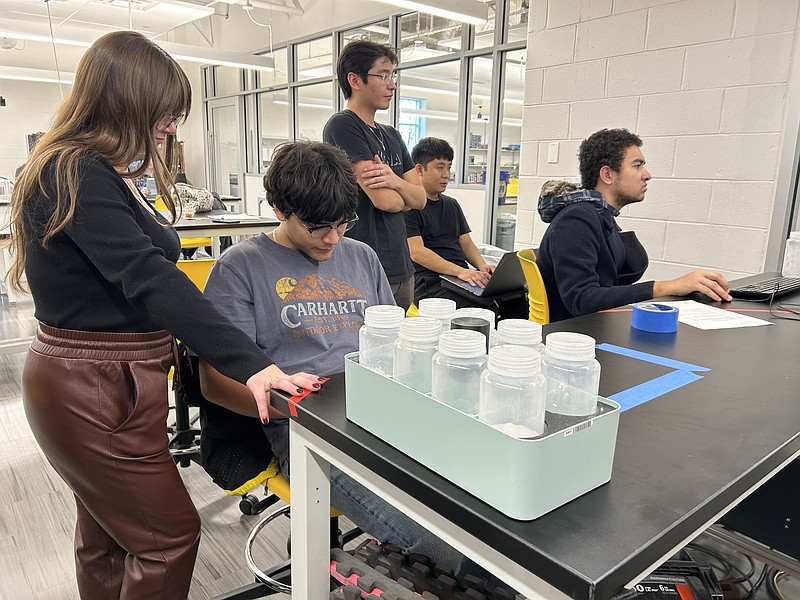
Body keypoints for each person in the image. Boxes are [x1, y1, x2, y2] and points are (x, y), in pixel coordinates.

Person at [9, 31, 320, 600]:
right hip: (95, 388)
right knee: (167, 537)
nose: (171, 127)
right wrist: (253, 364)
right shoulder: (75, 170)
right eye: (164, 113)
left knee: (108, 539)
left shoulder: (90, 169)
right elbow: (149, 276)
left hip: (106, 382)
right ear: (124, 102)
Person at [198, 140, 463, 569]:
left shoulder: (361, 256)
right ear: (279, 209)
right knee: (442, 544)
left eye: (343, 223)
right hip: (307, 430)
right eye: (319, 227)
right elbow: (214, 383)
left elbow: (391, 343)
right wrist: (294, 407)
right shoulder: (240, 267)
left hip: (379, 413)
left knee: (478, 506)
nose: (334, 239)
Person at [535, 128, 731, 322]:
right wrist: (667, 287)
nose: (646, 175)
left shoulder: (598, 215)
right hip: (574, 335)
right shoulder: (576, 220)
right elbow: (582, 300)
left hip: (596, 327)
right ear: (607, 175)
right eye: (637, 166)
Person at [322, 40, 426, 311]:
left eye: (393, 76)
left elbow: (421, 198)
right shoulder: (343, 125)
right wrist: (404, 193)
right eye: (383, 75)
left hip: (401, 265)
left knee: (401, 336)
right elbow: (385, 201)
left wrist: (394, 181)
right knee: (367, 337)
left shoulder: (392, 135)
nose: (392, 85)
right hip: (364, 266)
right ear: (354, 80)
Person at [405, 137, 497, 307]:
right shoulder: (409, 207)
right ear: (419, 170)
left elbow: (466, 243)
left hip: (458, 277)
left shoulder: (452, 205)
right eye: (440, 168)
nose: (446, 175)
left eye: (448, 167)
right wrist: (460, 271)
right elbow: (416, 252)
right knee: (479, 308)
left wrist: (482, 266)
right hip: (429, 282)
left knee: (513, 299)